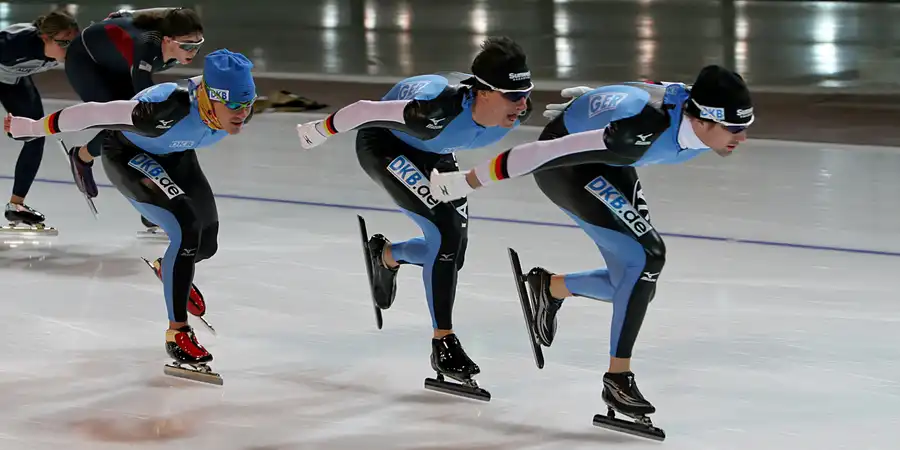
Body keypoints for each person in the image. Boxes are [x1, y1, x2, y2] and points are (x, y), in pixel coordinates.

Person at [428, 65, 754, 435]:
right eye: (734, 128)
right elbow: (537, 154)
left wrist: (595, 103)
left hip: (613, 159)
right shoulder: (638, 131)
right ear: (703, 120)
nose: (742, 137)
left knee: (635, 283)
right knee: (648, 256)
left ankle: (550, 288)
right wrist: (467, 181)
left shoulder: (692, 107)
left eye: (745, 125)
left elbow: (657, 86)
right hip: (570, 167)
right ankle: (618, 378)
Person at [295, 36, 534, 399]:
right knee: (446, 233)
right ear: (484, 93)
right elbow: (364, 111)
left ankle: (386, 256)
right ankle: (444, 343)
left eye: (526, 94)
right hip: (385, 145)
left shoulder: (516, 108)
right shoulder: (432, 112)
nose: (523, 104)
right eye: (513, 96)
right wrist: (320, 130)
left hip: (435, 150)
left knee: (453, 254)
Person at [5, 49, 257, 385]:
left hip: (176, 154)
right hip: (128, 154)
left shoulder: (234, 106)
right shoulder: (165, 107)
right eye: (235, 105)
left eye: (248, 104)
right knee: (186, 225)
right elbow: (92, 114)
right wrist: (33, 127)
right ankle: (178, 333)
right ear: (211, 98)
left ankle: (169, 269)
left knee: (206, 244)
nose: (243, 113)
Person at [62, 7, 204, 235]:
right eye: (187, 45)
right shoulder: (146, 48)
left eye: (198, 45)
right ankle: (81, 156)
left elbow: (172, 11)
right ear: (168, 40)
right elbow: (144, 106)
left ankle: (153, 208)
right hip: (86, 61)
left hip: (115, 60)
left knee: (148, 130)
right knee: (129, 125)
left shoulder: (169, 35)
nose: (193, 51)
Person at [0, 10, 79, 231]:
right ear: (45, 38)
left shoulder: (71, 49)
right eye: (63, 43)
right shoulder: (15, 44)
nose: (70, 50)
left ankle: (16, 206)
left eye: (73, 43)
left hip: (13, 80)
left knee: (35, 134)